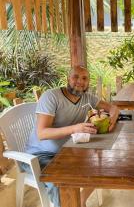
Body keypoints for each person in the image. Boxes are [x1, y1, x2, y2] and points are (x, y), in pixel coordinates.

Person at [23, 65, 120, 207]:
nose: (80, 81)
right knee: (60, 183)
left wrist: (111, 120)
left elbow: (113, 108)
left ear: (88, 82)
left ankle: (80, 201)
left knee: (99, 166)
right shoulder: (51, 96)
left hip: (69, 151)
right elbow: (42, 133)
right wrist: (75, 128)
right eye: (75, 77)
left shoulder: (87, 98)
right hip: (40, 155)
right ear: (68, 78)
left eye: (84, 78)